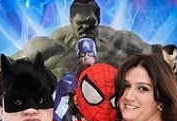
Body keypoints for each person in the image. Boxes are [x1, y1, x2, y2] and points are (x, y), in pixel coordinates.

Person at [11, 0, 161, 80]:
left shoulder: (119, 41)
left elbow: (162, 55)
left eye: (90, 23)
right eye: (80, 23)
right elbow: (7, 64)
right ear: (71, 21)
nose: (85, 27)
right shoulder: (51, 45)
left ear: (98, 20)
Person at [51, 37, 98, 121]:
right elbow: (58, 109)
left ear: (95, 54)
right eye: (82, 54)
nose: (86, 57)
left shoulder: (106, 77)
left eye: (89, 53)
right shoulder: (67, 81)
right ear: (78, 57)